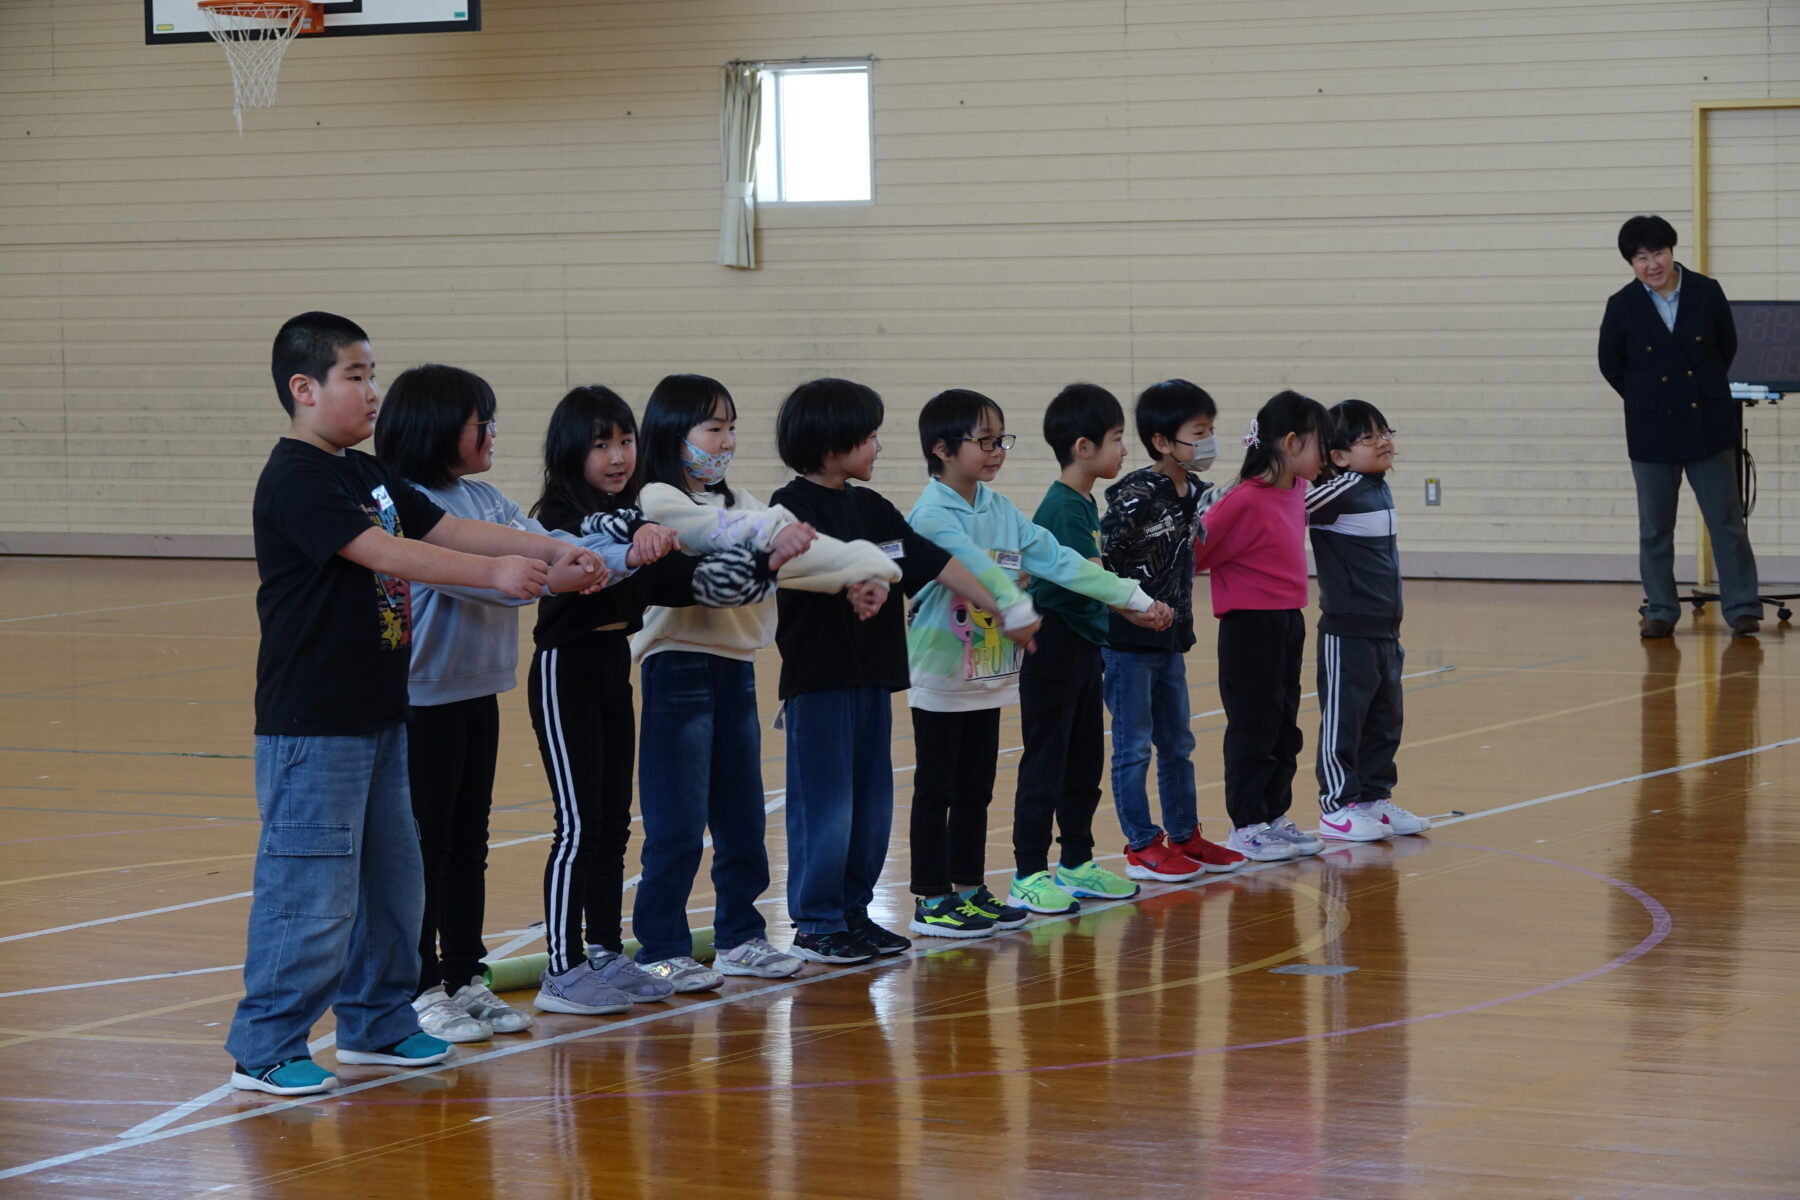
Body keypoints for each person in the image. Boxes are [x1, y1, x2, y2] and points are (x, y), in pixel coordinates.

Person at [227, 312, 605, 1096]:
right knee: (311, 893)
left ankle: (378, 1023)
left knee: (395, 887)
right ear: (305, 389)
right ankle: (266, 1046)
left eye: (373, 374)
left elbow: (450, 526)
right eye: (355, 376)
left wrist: (554, 551)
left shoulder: (365, 473)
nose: (373, 392)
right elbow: (385, 551)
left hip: (381, 715)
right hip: (314, 724)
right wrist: (494, 575)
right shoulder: (296, 476)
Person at [373, 364, 640, 1042]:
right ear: (436, 427)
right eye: (478, 422)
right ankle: (420, 985)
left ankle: (466, 975)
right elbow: (499, 582)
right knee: (427, 849)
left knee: (469, 846)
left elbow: (549, 551)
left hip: (477, 694)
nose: (491, 432)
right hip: (422, 701)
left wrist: (591, 562)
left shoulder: (487, 499)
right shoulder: (404, 503)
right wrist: (551, 574)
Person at [632, 374, 901, 986]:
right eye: (713, 427)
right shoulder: (656, 498)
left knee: (741, 818)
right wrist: (771, 535)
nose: (724, 441)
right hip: (677, 667)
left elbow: (813, 554)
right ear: (674, 434)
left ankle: (740, 938)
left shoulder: (750, 505)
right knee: (676, 823)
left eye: (731, 428)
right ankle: (661, 947)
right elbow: (709, 533)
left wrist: (868, 570)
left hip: (736, 669)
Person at [528, 384, 789, 1014]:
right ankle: (562, 969)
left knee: (614, 823)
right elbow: (593, 548)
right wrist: (640, 540)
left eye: (624, 442)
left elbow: (682, 580)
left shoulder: (634, 511)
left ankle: (603, 951)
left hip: (610, 667)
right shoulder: (558, 511)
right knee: (580, 824)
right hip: (565, 667)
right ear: (570, 450)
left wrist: (773, 562)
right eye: (601, 444)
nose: (618, 456)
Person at [906, 388, 1165, 938]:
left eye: (1002, 439)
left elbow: (1058, 559)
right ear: (943, 449)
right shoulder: (931, 514)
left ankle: (970, 889)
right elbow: (977, 568)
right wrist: (1018, 605)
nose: (998, 451)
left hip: (990, 669)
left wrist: (1133, 598)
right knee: (937, 788)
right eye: (985, 441)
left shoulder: (1000, 509)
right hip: (940, 671)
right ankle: (931, 898)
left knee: (976, 786)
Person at [770, 378, 1005, 962]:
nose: (878, 447)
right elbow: (801, 568)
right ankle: (817, 920)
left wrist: (1005, 603)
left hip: (873, 681)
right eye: (869, 436)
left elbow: (933, 561)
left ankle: (854, 910)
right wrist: (856, 574)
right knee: (825, 808)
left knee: (871, 808)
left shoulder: (871, 506)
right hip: (820, 682)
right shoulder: (789, 508)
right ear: (832, 443)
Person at [1008, 383, 1174, 916]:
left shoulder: (1082, 503)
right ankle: (1028, 873)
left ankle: (1076, 863)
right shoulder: (1061, 507)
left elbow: (1093, 580)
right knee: (1046, 760)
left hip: (1083, 646)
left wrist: (1130, 609)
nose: (1123, 450)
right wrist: (1136, 607)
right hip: (1052, 646)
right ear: (1083, 448)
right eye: (1116, 439)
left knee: (1083, 760)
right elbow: (1085, 579)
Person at [1100, 379, 1244, 881]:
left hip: (1171, 640)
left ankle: (1184, 834)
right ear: (1162, 441)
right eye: (1197, 432)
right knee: (1133, 747)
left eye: (1211, 431)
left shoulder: (1199, 494)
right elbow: (1103, 562)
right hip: (1126, 643)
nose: (1207, 442)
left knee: (1178, 744)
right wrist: (1127, 609)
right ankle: (1142, 844)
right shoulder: (1135, 495)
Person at [1598, 214, 1759, 638]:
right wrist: (1648, 399)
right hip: (1652, 430)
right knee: (1655, 528)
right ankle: (1661, 609)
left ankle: (1743, 606)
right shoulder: (1622, 304)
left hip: (1708, 423)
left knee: (1726, 521)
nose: (1653, 264)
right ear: (1631, 263)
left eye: (1659, 253)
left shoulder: (1707, 291)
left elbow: (1727, 347)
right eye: (1641, 257)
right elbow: (1611, 364)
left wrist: (1700, 392)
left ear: (1673, 251)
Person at [1192, 390, 1331, 864]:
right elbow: (1194, 554)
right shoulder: (1242, 498)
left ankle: (1274, 815)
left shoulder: (1297, 489)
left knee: (1282, 726)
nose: (1326, 455)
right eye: (1320, 444)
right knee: (1253, 727)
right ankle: (1247, 824)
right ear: (1290, 443)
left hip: (1288, 622)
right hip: (1248, 627)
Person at [1303, 399, 1429, 841]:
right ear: (1337, 455)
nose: (1384, 442)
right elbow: (1280, 506)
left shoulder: (1377, 487)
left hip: (1385, 631)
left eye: (1386, 431)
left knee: (1384, 719)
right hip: (1347, 631)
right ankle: (1336, 806)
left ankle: (1374, 798)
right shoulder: (1338, 488)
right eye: (1369, 437)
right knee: (1345, 720)